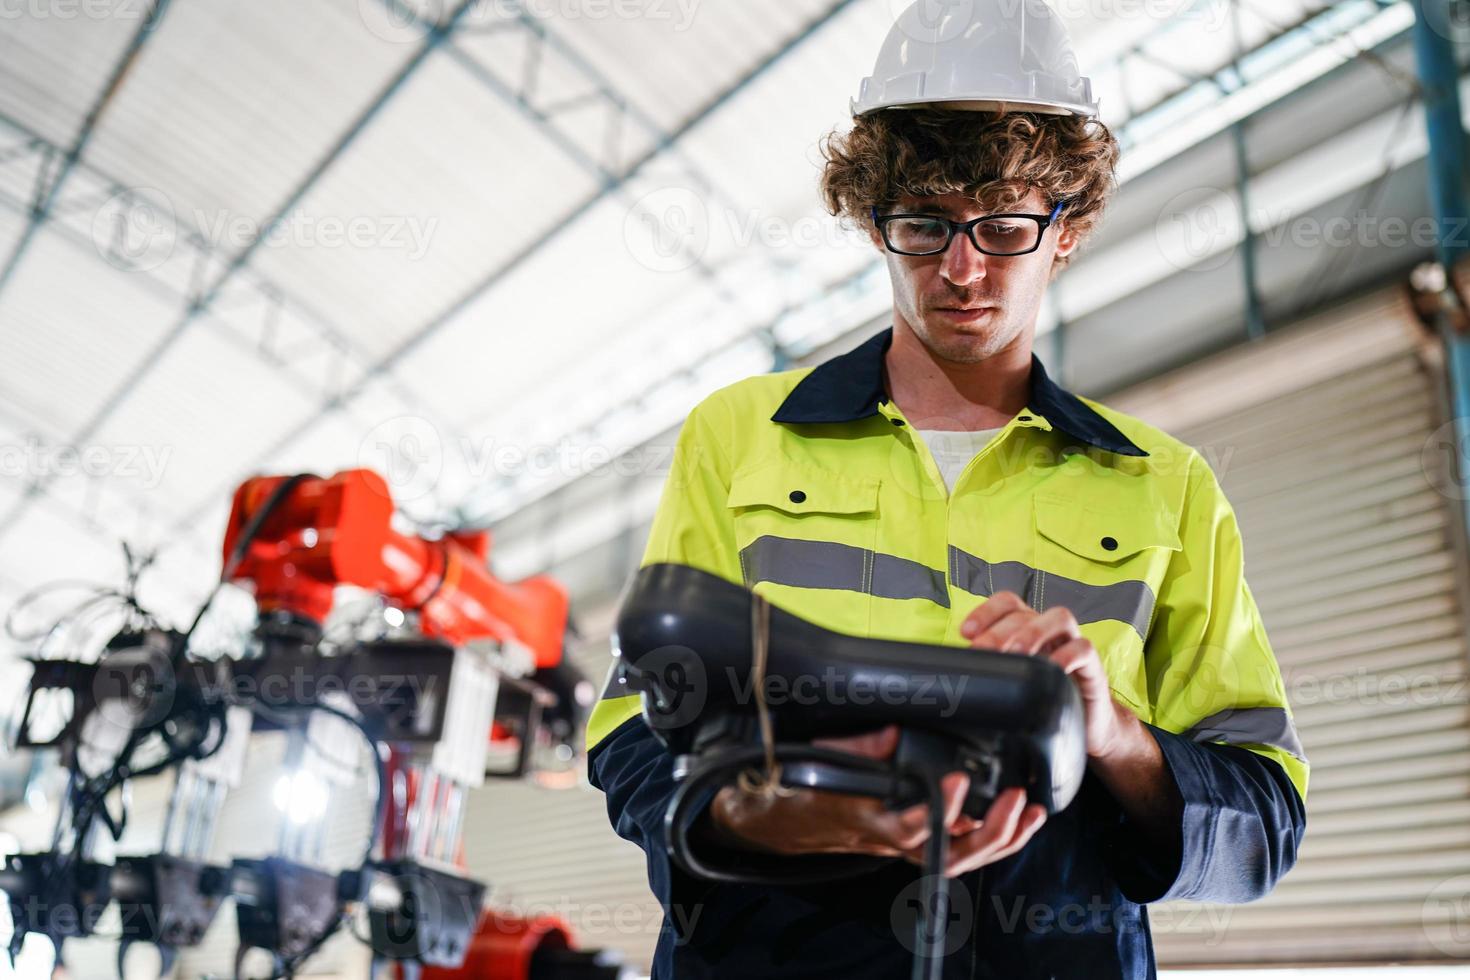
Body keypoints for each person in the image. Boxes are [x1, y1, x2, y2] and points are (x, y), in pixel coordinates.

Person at [587, 2, 1307, 977]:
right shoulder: (741, 435)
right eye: (924, 224)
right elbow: (636, 727)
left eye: (1004, 226)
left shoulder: (1165, 486)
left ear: (1068, 227)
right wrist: (790, 816)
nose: (961, 270)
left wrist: (1111, 730)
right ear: (872, 219)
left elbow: (1262, 821)